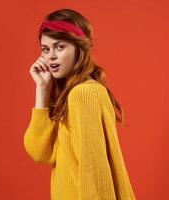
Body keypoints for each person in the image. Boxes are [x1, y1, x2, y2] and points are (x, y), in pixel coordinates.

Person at [23, 8, 136, 200]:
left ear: (79, 48)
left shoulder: (84, 93)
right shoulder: (69, 94)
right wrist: (42, 89)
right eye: (45, 49)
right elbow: (40, 152)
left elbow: (94, 170)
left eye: (60, 47)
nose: (51, 56)